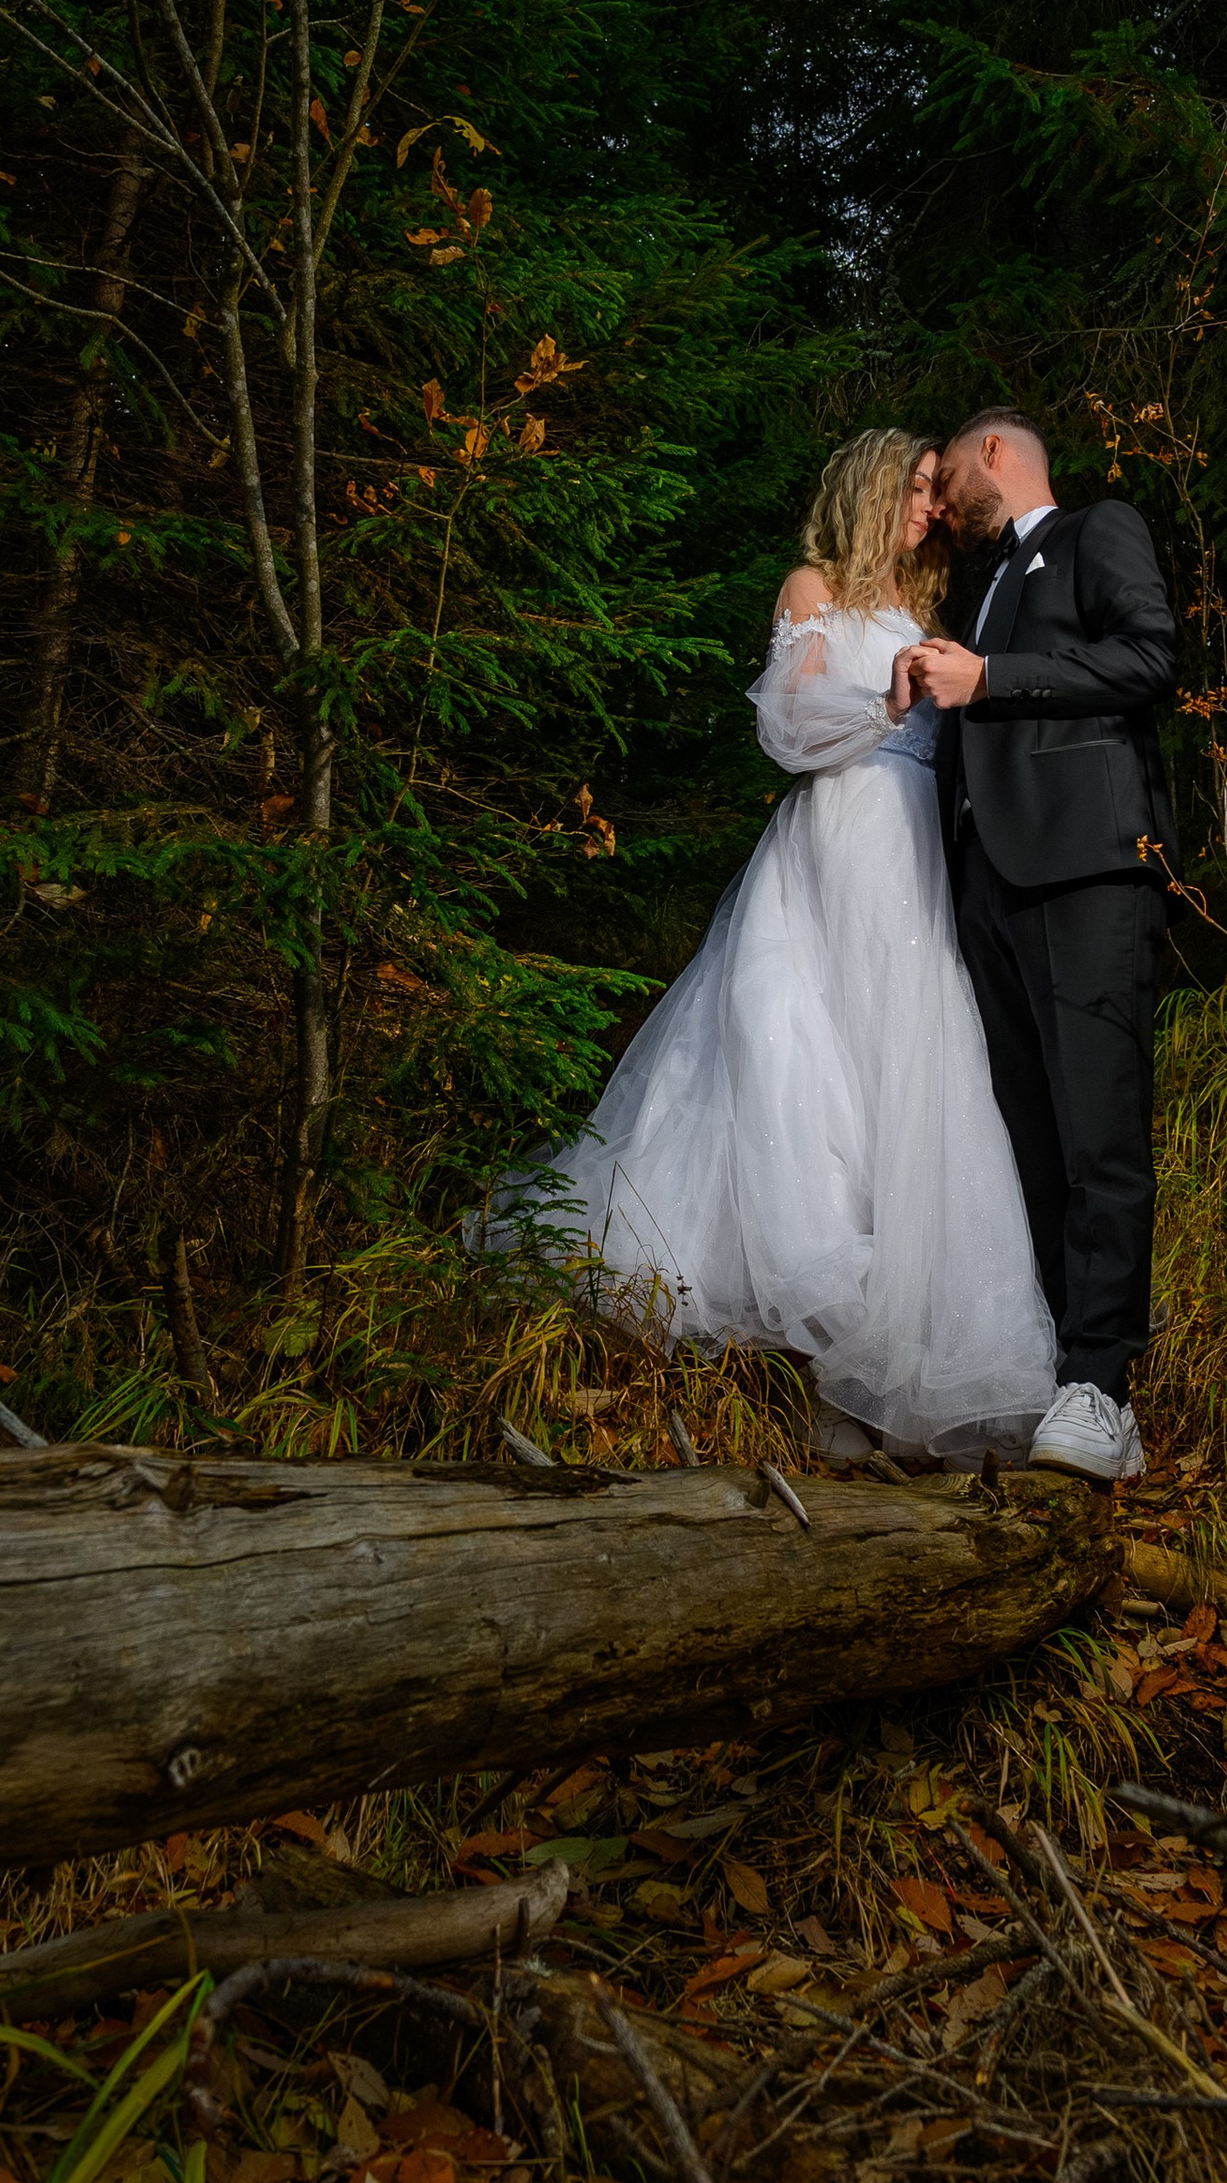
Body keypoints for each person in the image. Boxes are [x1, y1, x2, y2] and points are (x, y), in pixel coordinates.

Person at [494, 430, 1059, 1463]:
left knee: (906, 1084)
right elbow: (785, 729)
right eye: (916, 487)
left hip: (914, 866)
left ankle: (889, 1383)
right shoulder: (813, 590)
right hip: (833, 849)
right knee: (806, 1079)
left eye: (936, 492)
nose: (931, 507)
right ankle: (811, 1369)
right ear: (869, 488)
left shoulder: (924, 612)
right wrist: (883, 700)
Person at [898, 408, 1181, 1484]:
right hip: (987, 888)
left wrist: (992, 679)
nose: (943, 499)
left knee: (1099, 1133)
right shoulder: (979, 588)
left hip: (1087, 872)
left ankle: (1104, 1388)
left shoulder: (1097, 530)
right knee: (1024, 1142)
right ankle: (1056, 1369)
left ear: (997, 454)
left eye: (950, 475)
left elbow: (1148, 658)